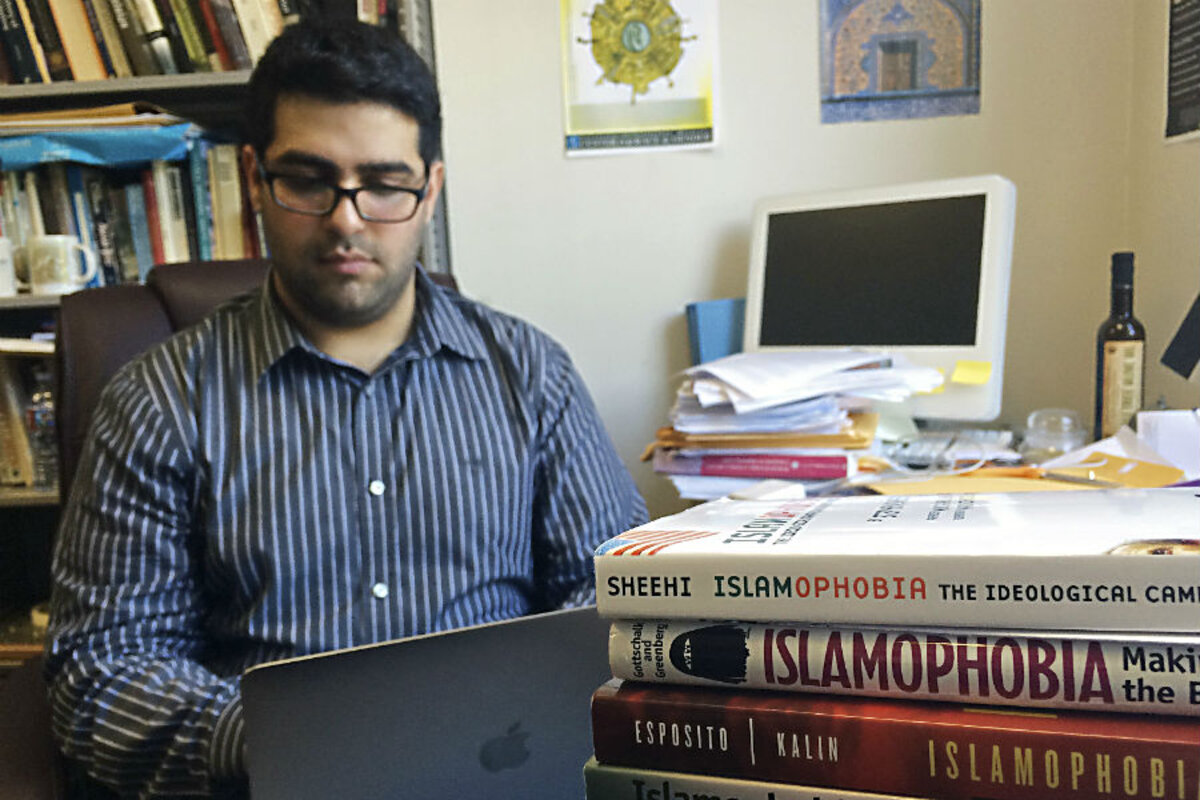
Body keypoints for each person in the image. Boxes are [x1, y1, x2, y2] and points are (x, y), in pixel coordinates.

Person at [44, 19, 647, 798]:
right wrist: (291, 737)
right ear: (255, 177)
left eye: (385, 184)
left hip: (506, 770)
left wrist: (519, 708)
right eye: (308, 180)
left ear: (430, 189)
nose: (347, 220)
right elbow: (102, 670)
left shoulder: (532, 376)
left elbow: (617, 599)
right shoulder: (158, 401)